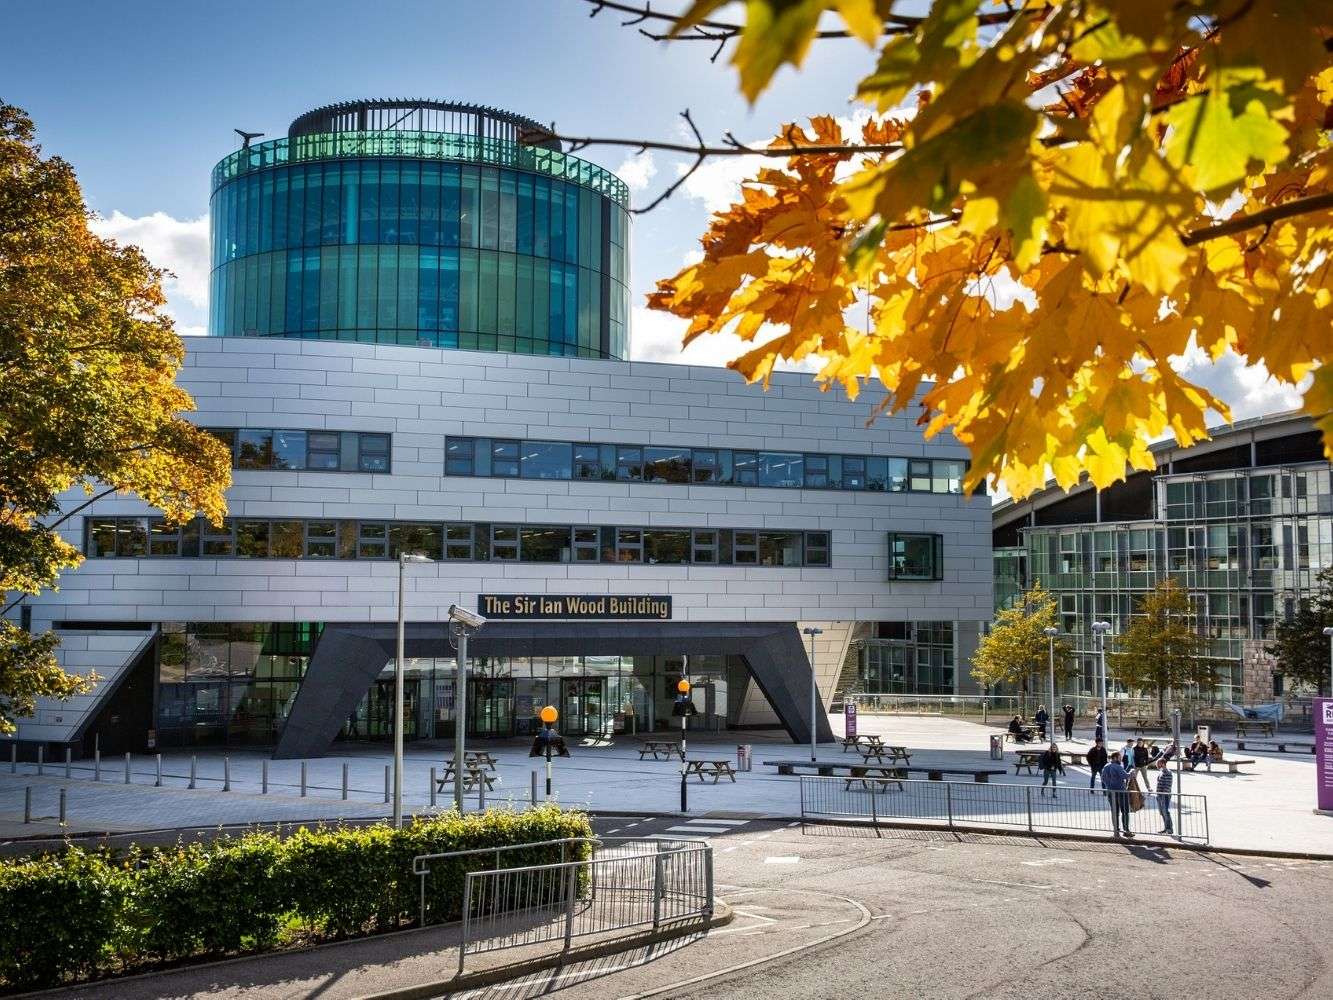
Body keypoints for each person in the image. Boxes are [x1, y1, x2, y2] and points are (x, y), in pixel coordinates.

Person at [1100, 751, 1134, 838]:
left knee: (1114, 812)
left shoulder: (1106, 766)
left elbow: (1103, 779)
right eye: (1119, 758)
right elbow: (1125, 776)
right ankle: (1126, 830)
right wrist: (1131, 772)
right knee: (1125, 811)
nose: (1121, 759)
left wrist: (1109, 785)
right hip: (1121, 792)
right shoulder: (1118, 767)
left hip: (1110, 792)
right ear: (1115, 758)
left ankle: (1116, 830)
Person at [1155, 761, 1175, 835]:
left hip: (1164, 795)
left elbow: (1167, 785)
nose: (1157, 765)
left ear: (1163, 764)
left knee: (1165, 812)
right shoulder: (1161, 772)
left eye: (1158, 763)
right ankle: (1166, 828)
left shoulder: (1167, 772)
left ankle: (1169, 829)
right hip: (1160, 795)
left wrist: (1162, 794)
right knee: (1162, 812)